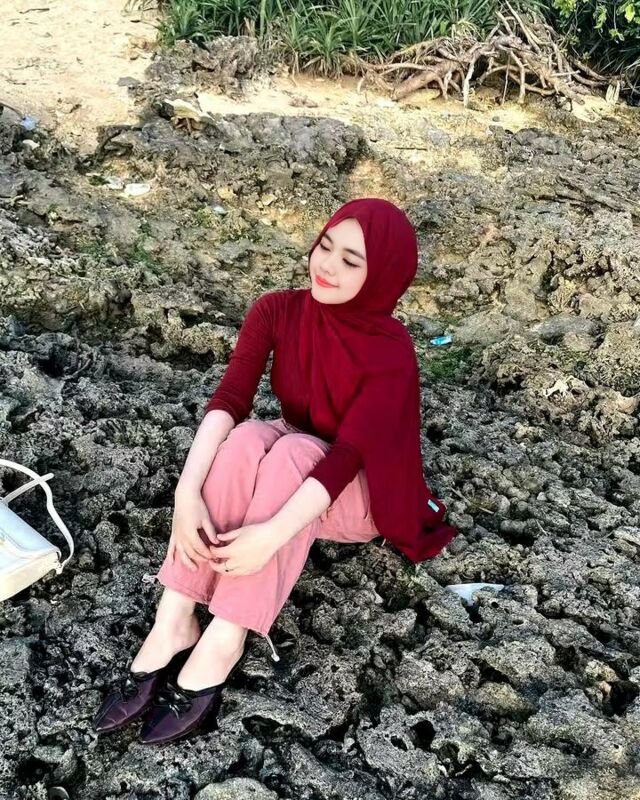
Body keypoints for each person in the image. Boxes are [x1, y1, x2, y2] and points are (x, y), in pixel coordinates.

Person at [92, 197, 458, 745]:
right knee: (245, 438)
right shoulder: (277, 310)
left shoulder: (391, 351)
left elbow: (346, 457)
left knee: (292, 452)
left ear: (382, 275)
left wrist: (270, 536)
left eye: (351, 261)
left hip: (361, 490)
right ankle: (174, 617)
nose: (326, 265)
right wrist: (187, 494)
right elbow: (231, 398)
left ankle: (226, 636)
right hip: (298, 451)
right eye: (325, 245)